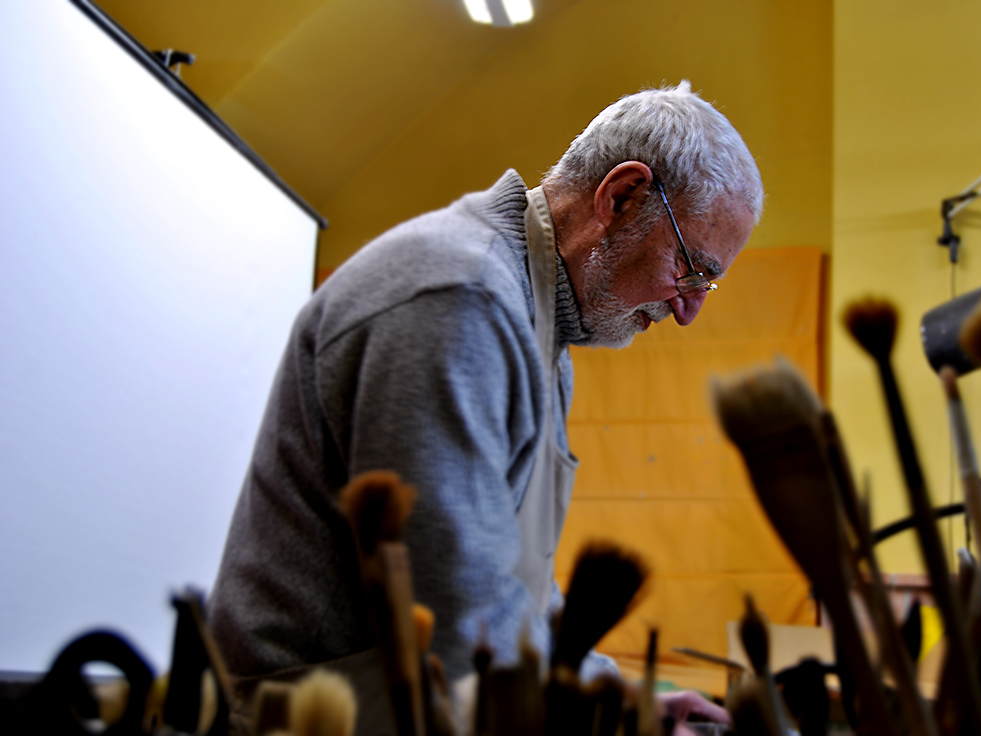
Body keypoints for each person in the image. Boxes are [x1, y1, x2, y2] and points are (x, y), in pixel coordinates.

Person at [207, 80, 763, 734]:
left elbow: (515, 591)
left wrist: (616, 697)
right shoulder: (459, 298)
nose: (688, 310)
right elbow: (458, 612)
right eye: (692, 270)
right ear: (621, 196)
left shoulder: (543, 336)